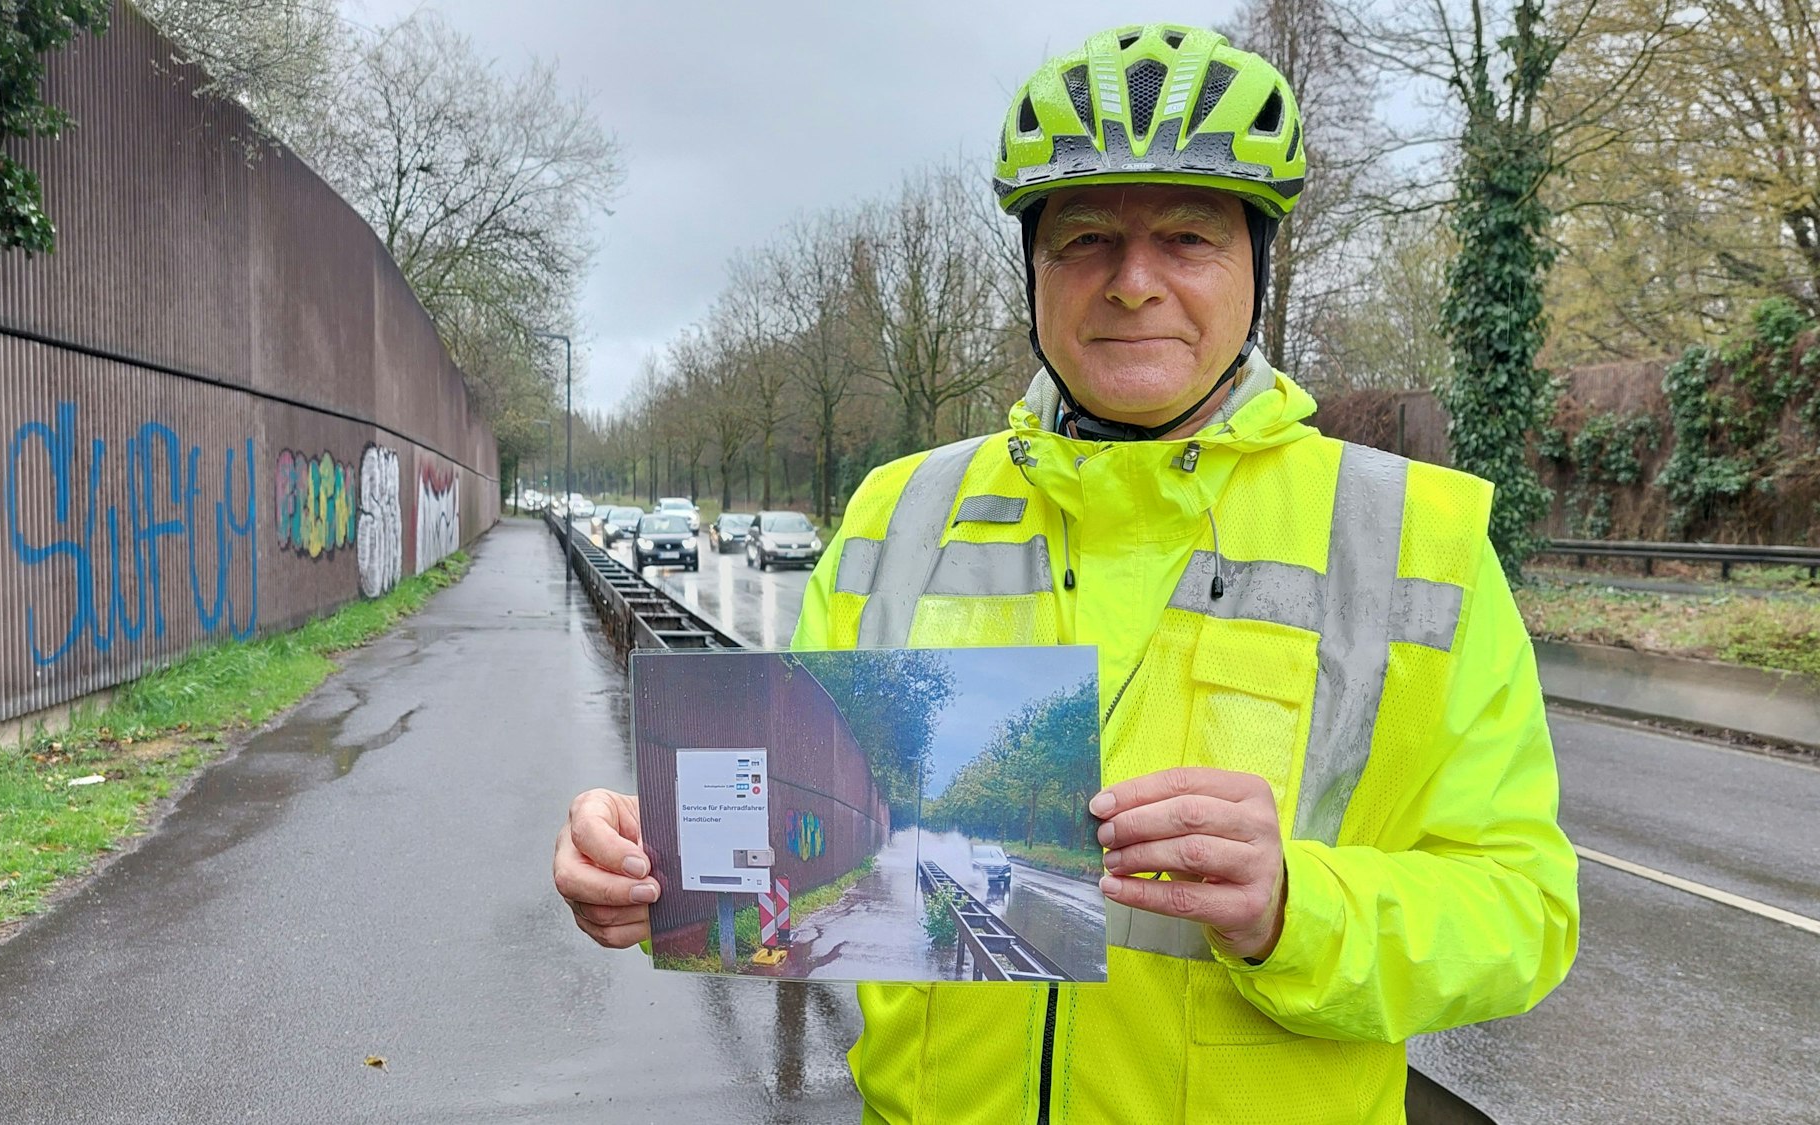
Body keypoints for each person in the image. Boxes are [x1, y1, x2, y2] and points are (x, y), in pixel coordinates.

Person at [553, 23, 1577, 1123]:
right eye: (1083, 239)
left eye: (1187, 237)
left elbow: (1521, 912)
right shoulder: (897, 512)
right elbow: (806, 822)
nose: (1132, 283)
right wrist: (651, 854)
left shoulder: (1410, 535)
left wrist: (1296, 906)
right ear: (1033, 270)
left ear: (1255, 268)